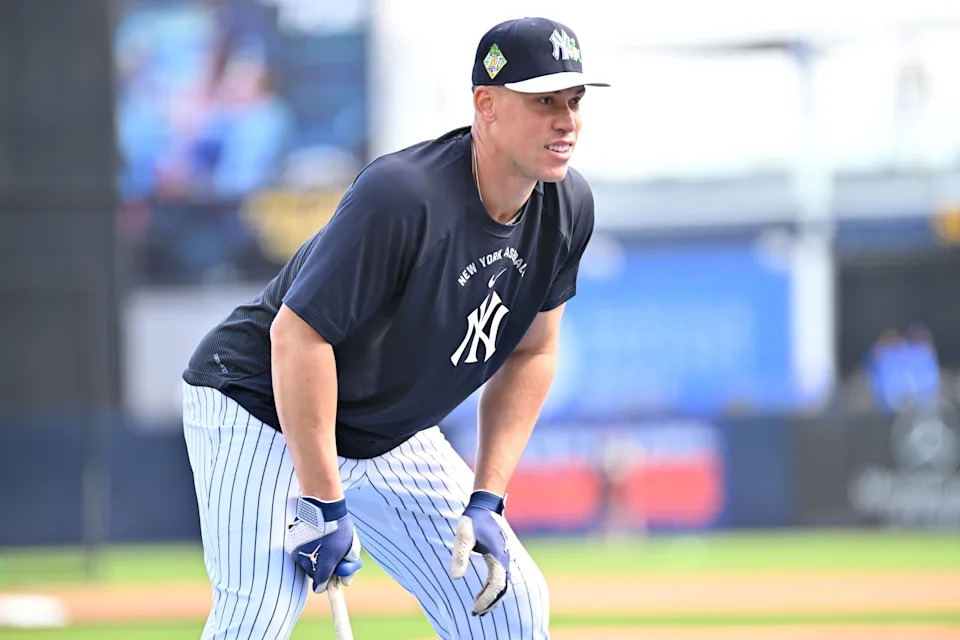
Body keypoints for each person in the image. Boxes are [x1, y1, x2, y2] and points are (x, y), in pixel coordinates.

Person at [181, 16, 608, 639]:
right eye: (544, 101)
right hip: (261, 405)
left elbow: (533, 352)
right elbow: (297, 336)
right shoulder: (404, 194)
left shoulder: (568, 207)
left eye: (574, 100)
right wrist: (323, 501)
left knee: (511, 603)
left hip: (386, 433)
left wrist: (487, 498)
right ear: (486, 106)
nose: (566, 120)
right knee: (260, 614)